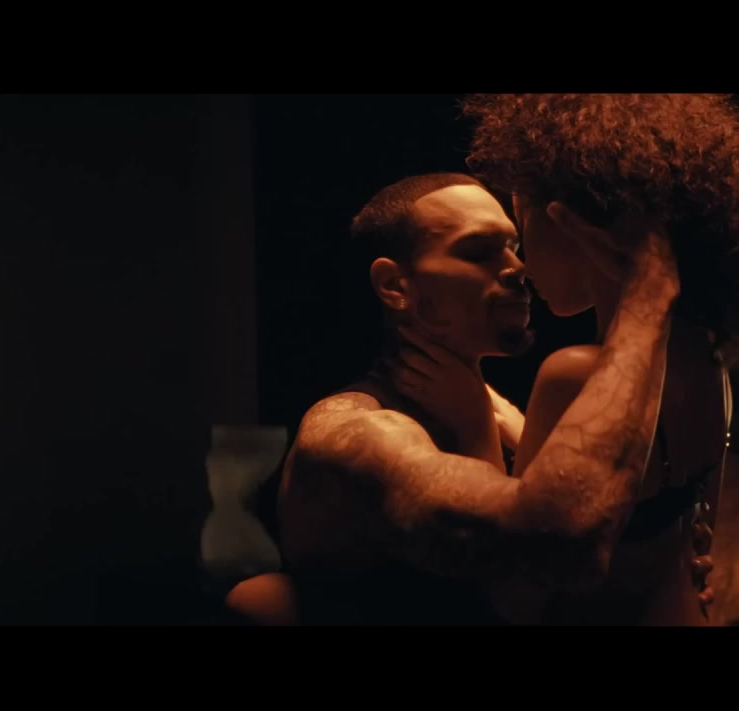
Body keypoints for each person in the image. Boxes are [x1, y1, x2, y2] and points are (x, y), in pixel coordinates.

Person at [462, 93, 739, 625]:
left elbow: (519, 594)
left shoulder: (573, 373)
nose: (522, 263)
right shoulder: (707, 360)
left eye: (522, 223)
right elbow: (661, 513)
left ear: (569, 223)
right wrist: (520, 427)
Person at [272, 171, 685, 624]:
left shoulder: (486, 408)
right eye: (478, 252)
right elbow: (548, 547)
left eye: (513, 246)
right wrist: (646, 297)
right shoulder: (354, 429)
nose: (518, 268)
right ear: (395, 286)